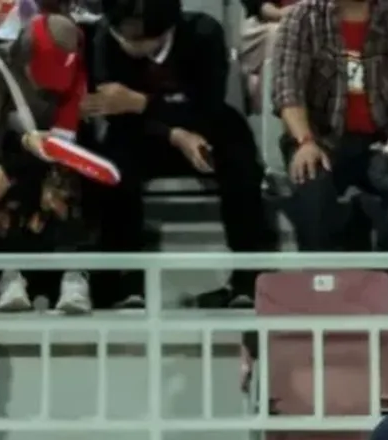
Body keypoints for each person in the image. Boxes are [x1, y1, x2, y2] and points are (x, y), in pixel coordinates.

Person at [86, 0, 278, 308]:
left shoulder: (204, 33)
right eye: (123, 37)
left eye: (138, 40)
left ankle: (249, 277)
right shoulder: (105, 37)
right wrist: (174, 133)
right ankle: (125, 280)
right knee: (113, 164)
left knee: (239, 155)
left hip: (205, 125)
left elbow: (208, 104)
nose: (128, 44)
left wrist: (143, 103)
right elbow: (115, 112)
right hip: (142, 134)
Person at [273, 0, 388, 254]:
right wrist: (305, 142)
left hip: (383, 138)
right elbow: (287, 91)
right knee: (312, 195)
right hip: (318, 139)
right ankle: (321, 283)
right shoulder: (302, 18)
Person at [0, 13, 92, 314]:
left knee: (69, 168)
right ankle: (10, 274)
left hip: (55, 154)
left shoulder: (75, 56)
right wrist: (23, 153)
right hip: (5, 154)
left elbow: (71, 131)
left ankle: (73, 272)